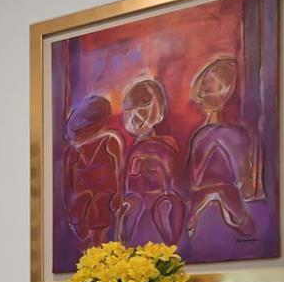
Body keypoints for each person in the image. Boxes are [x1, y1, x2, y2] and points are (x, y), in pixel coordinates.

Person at [186, 55, 260, 241]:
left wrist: (241, 183)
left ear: (225, 92)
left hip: (225, 191)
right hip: (208, 193)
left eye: (208, 89)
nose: (201, 95)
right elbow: (194, 176)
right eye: (203, 88)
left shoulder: (231, 134)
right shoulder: (202, 135)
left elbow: (243, 173)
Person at [118, 77, 186, 244]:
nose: (136, 115)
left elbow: (174, 182)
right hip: (140, 211)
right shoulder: (132, 151)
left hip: (155, 210)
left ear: (160, 110)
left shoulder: (162, 147)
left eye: (144, 106)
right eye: (130, 109)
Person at [62, 95, 125, 248]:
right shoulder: (73, 151)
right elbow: (67, 182)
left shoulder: (109, 140)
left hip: (104, 196)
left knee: (99, 206)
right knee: (83, 206)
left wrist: (118, 196)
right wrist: (70, 203)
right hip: (82, 198)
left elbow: (119, 170)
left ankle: (97, 249)